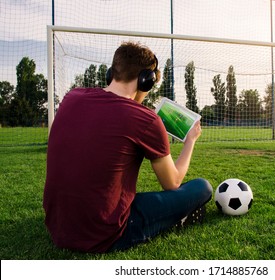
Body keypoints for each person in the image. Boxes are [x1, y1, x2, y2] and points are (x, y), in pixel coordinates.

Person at [43, 41, 212, 253]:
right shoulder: (146, 119)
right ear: (146, 81)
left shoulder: (71, 97)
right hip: (106, 233)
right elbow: (173, 182)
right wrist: (190, 141)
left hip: (59, 227)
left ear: (111, 73)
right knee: (201, 187)